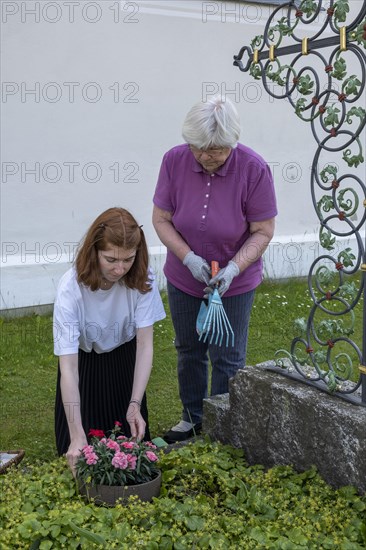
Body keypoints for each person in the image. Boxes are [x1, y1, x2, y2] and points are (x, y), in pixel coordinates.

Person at [152, 96, 277, 443]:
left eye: (218, 150)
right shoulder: (174, 161)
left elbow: (263, 231)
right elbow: (161, 220)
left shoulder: (254, 168)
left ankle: (223, 426)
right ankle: (192, 418)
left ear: (233, 142)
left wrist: (234, 269)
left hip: (233, 284)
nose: (208, 156)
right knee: (189, 348)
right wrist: (188, 257)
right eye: (201, 149)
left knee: (228, 356)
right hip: (184, 278)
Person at [53, 207, 166, 475]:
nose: (119, 269)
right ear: (94, 251)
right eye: (111, 259)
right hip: (84, 365)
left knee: (131, 456)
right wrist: (76, 433)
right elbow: (68, 368)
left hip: (125, 363)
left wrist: (135, 404)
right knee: (80, 455)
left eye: (128, 259)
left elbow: (145, 345)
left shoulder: (142, 278)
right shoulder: (70, 288)